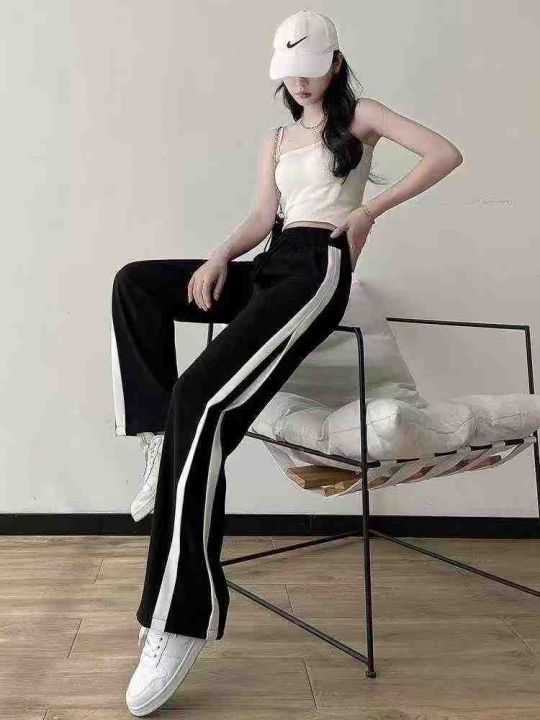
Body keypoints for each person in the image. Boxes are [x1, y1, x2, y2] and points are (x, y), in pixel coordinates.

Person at [111, 8, 463, 716]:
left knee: (200, 402)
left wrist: (370, 211)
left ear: (333, 64)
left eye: (311, 70)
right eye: (290, 74)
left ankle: (178, 622)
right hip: (272, 264)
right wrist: (218, 256)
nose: (301, 84)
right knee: (137, 286)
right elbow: (260, 215)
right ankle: (155, 440)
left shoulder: (360, 116)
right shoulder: (275, 139)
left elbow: (444, 153)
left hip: (317, 268)